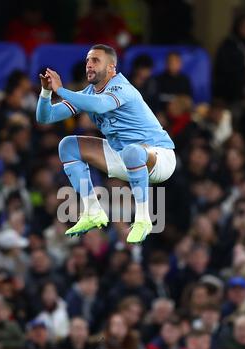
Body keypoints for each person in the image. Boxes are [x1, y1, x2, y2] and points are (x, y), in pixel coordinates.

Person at [36, 44, 176, 244]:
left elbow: (101, 106)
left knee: (132, 151)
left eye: (95, 60)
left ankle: (144, 220)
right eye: (87, 61)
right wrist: (46, 92)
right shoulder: (89, 93)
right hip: (124, 156)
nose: (89, 65)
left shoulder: (122, 88)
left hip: (159, 157)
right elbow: (45, 117)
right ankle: (93, 211)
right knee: (67, 146)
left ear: (111, 68)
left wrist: (61, 89)